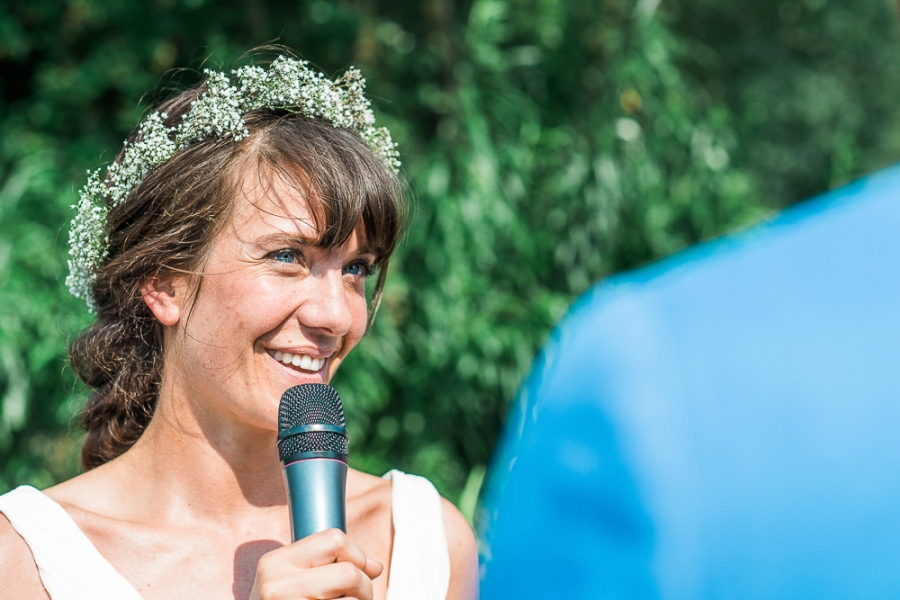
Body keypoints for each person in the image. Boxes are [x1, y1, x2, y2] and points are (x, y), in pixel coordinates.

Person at [0, 53, 478, 600]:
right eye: (287, 257)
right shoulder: (22, 562)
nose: (336, 316)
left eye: (355, 270)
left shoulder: (422, 538)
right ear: (164, 283)